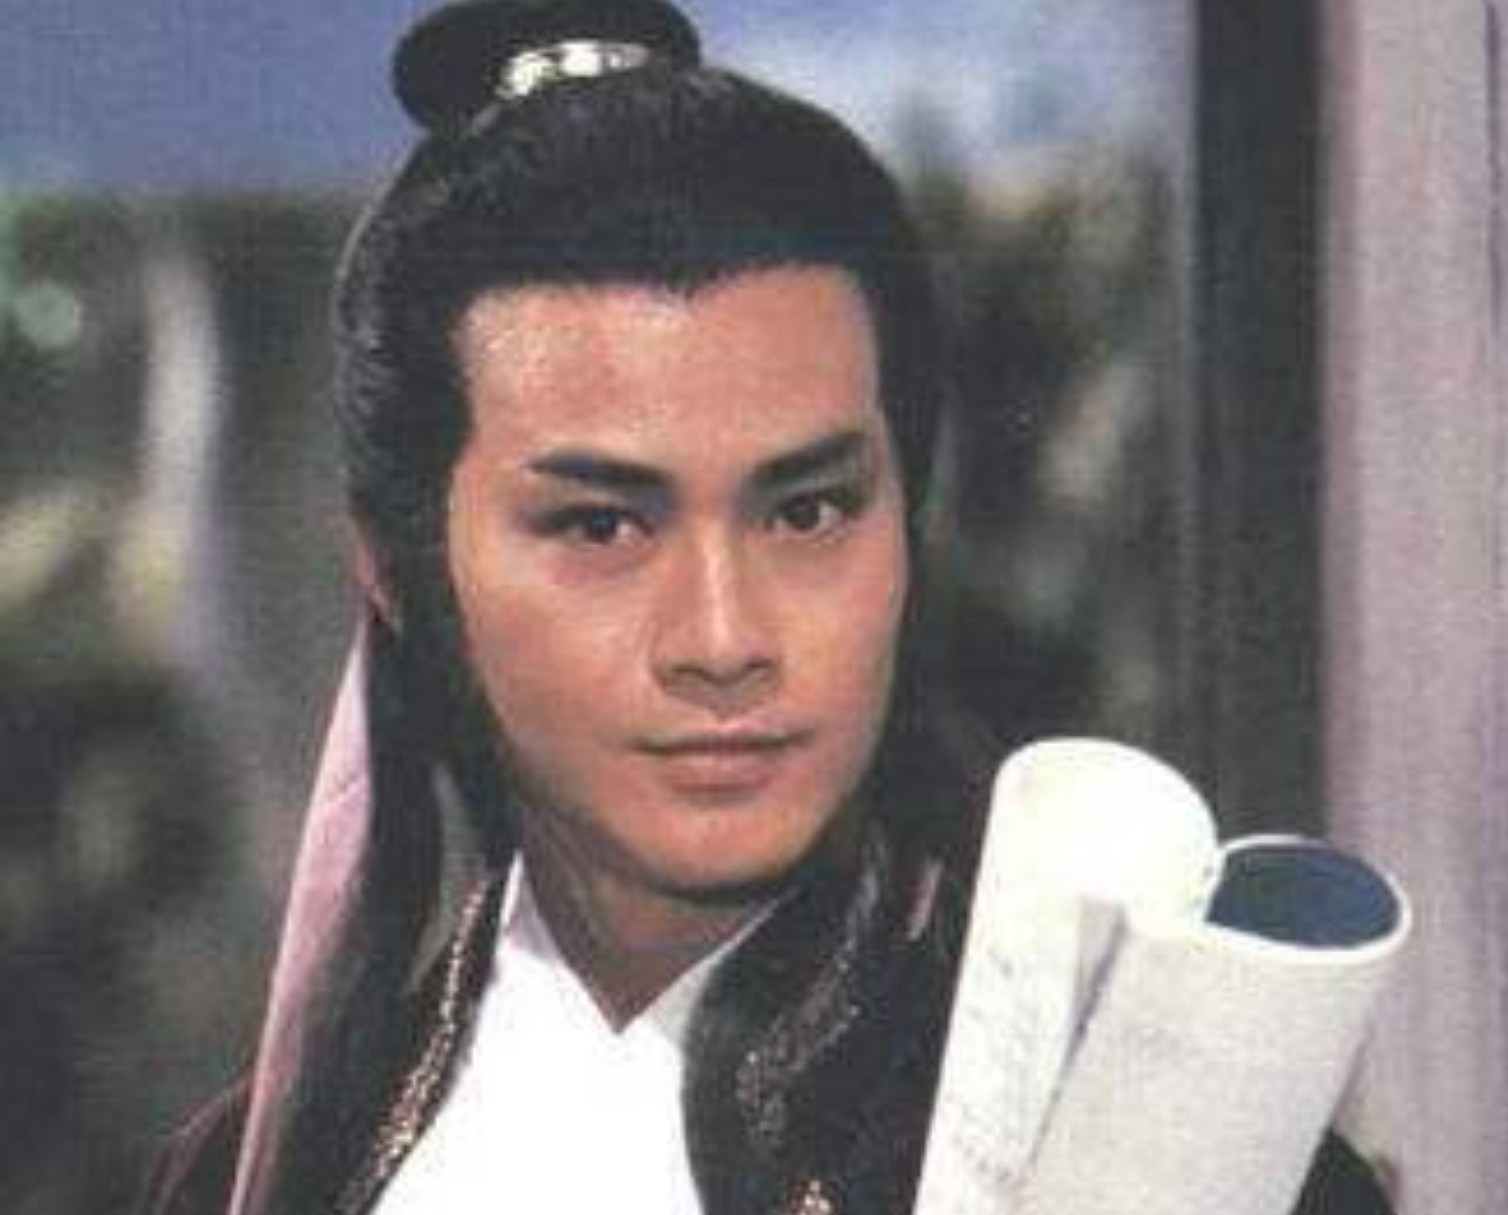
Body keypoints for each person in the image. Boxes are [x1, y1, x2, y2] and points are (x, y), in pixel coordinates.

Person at [138, 2, 1394, 1212]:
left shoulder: (1176, 1152)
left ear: (907, 522)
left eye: (807, 512)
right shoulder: (257, 1176)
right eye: (602, 526)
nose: (724, 638)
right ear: (397, 572)